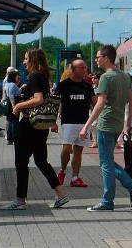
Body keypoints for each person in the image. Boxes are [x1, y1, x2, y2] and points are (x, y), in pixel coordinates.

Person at [2, 48, 69, 210]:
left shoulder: (34, 76)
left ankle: (20, 200)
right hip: (40, 126)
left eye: (26, 59)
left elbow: (38, 99)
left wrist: (19, 106)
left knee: (21, 163)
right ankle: (60, 194)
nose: (24, 61)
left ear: (33, 60)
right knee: (41, 161)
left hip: (28, 125)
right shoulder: (43, 76)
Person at [79, 45, 132, 212]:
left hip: (106, 124)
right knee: (108, 161)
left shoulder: (106, 77)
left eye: (98, 57)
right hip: (118, 124)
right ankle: (129, 188)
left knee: (106, 164)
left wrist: (86, 126)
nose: (96, 60)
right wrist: (129, 124)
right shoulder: (124, 76)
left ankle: (110, 200)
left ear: (106, 58)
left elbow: (99, 105)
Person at [53, 59, 97, 188]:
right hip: (68, 122)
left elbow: (95, 103)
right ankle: (62, 170)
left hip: (83, 123)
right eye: (81, 67)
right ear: (73, 69)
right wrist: (52, 122)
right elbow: (55, 104)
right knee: (66, 148)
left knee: (78, 150)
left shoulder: (87, 86)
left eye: (85, 67)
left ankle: (75, 177)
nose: (85, 70)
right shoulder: (64, 85)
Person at [4, 70, 21, 145]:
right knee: (14, 121)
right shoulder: (12, 85)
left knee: (10, 120)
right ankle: (13, 137)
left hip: (10, 103)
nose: (17, 77)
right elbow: (11, 96)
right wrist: (14, 107)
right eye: (16, 76)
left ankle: (10, 138)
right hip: (13, 103)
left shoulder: (8, 84)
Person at [1, 66, 17, 142]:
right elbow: (10, 94)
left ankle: (8, 134)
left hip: (7, 99)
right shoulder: (8, 81)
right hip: (9, 100)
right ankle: (9, 134)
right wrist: (14, 106)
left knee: (9, 118)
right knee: (10, 119)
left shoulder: (6, 80)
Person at [89, 71, 102, 148]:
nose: (93, 80)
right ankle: (95, 141)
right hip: (92, 108)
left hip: (99, 109)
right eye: (92, 78)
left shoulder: (101, 87)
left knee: (96, 124)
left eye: (95, 78)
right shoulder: (92, 87)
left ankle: (98, 141)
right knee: (93, 125)